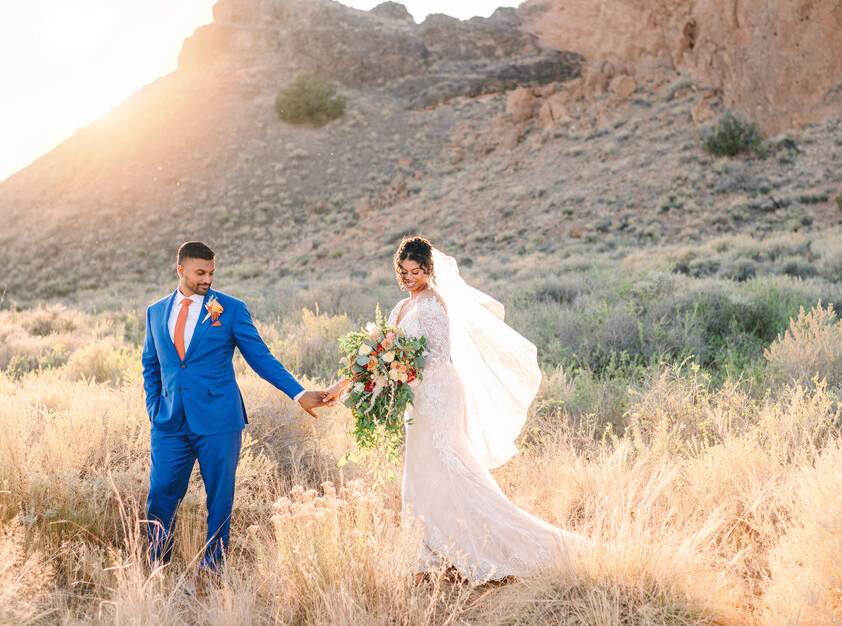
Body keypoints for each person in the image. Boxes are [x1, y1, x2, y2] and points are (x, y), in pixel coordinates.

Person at [326, 236, 582, 582]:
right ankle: (429, 552)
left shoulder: (433, 305)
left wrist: (400, 368)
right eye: (403, 272)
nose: (409, 277)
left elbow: (439, 357)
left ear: (429, 270)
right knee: (421, 470)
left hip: (439, 394)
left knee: (447, 465)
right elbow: (376, 356)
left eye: (415, 271)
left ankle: (470, 545)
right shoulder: (399, 308)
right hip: (416, 397)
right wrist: (354, 382)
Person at [141, 240, 330, 571]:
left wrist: (299, 394)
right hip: (169, 422)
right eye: (200, 273)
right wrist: (155, 408)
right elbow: (151, 365)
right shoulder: (155, 311)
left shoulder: (230, 309)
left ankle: (213, 569)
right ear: (180, 270)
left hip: (219, 420)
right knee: (160, 495)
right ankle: (157, 564)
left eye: (212, 273)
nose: (207, 280)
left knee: (219, 499)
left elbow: (261, 358)